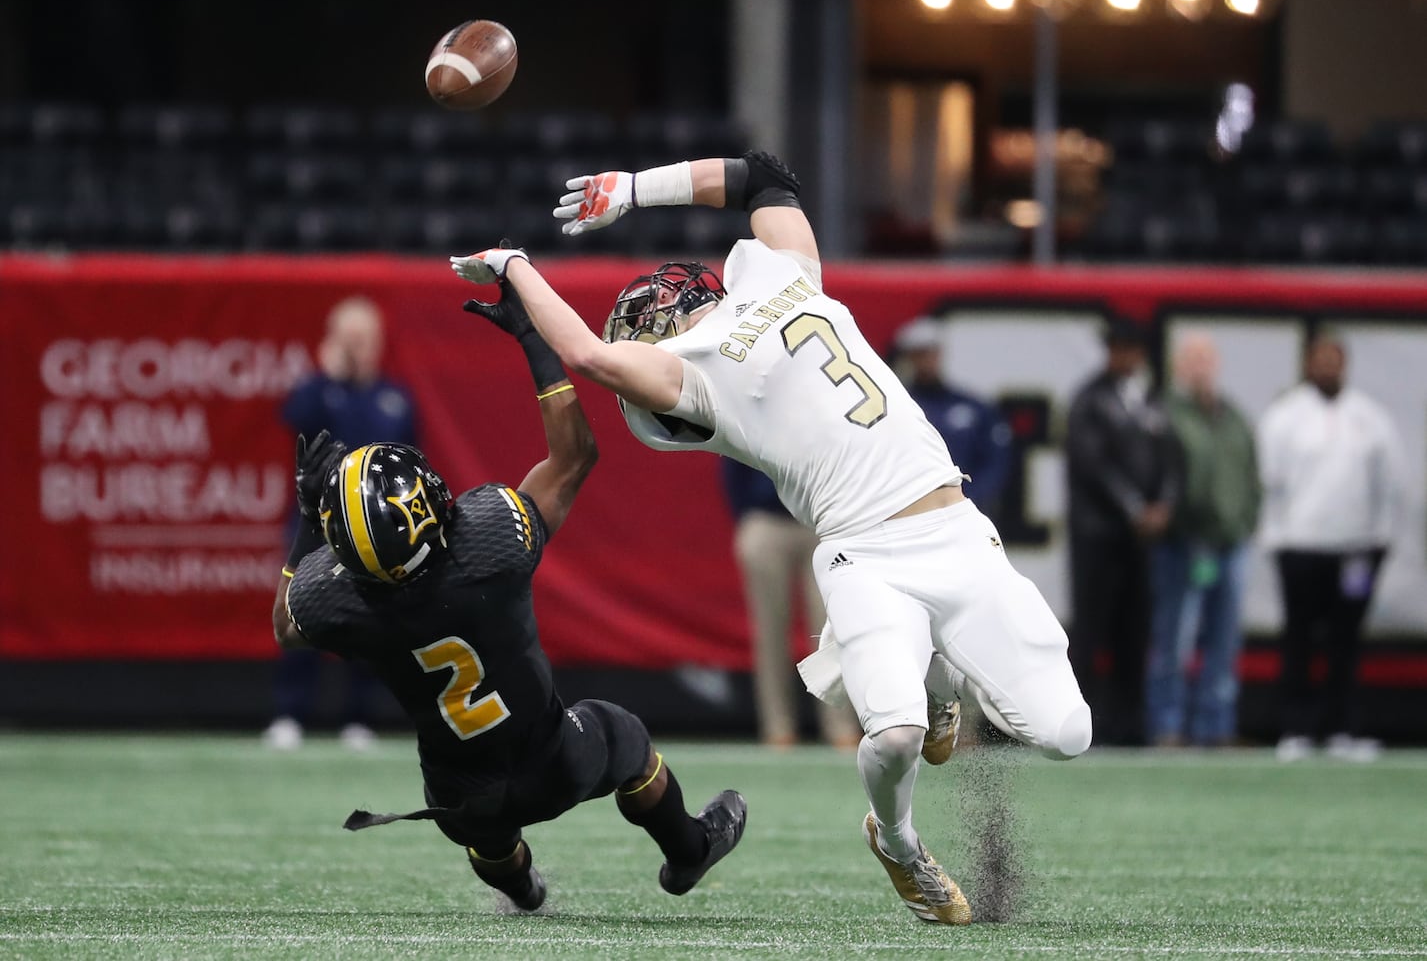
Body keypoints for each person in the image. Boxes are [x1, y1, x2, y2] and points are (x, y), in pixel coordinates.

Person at [449, 150, 1091, 926]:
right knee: (892, 740)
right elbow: (585, 352)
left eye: (644, 322)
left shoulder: (776, 274)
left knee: (1065, 733)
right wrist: (517, 267)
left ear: (676, 296)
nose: (639, 338)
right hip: (863, 553)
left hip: (956, 529)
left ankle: (941, 680)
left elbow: (762, 173)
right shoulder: (696, 377)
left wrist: (631, 189)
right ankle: (896, 841)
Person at [269, 285, 747, 910]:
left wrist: (309, 519)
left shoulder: (341, 601)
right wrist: (534, 341)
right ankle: (687, 850)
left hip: (460, 796)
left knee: (486, 836)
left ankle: (520, 886)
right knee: (624, 734)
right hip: (556, 760)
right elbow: (575, 457)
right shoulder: (486, 543)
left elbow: (285, 625)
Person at [264, 296, 418, 752]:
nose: (355, 350)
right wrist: (326, 374)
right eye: (347, 340)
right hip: (315, 525)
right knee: (299, 617)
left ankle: (360, 715)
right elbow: (294, 419)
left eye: (362, 341)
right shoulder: (319, 391)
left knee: (370, 625)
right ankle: (290, 713)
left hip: (372, 532)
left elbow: (400, 456)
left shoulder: (392, 399)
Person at [1258, 332, 1405, 763]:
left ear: (1345, 364)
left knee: (1346, 642)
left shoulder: (1370, 417)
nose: (1327, 367)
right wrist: (1278, 539)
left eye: (1334, 360)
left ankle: (1342, 728)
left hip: (1355, 549)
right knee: (1299, 639)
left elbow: (1390, 482)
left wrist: (1380, 539)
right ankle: (1296, 728)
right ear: (1307, 364)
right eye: (1319, 360)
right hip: (1301, 546)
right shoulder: (1284, 417)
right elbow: (1271, 483)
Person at [1065, 315, 1179, 747]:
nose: (1124, 356)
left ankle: (1131, 725)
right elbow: (1094, 465)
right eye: (1117, 348)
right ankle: (1085, 724)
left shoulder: (1151, 401)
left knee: (1135, 632)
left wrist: (1164, 505)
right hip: (1100, 535)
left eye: (1130, 348)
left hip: (1139, 540)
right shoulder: (1090, 401)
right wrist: (1134, 509)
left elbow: (1172, 459)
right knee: (1093, 630)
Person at [1147, 333, 1260, 747]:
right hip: (1184, 544)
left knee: (1225, 641)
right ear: (1179, 367)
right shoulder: (1165, 415)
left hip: (1230, 543)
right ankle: (1168, 724)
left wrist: (1246, 521)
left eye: (1206, 359)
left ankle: (1216, 725)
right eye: (1192, 359)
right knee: (1175, 640)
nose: (1200, 367)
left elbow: (1250, 474)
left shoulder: (1231, 417)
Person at [720, 457, 861, 749]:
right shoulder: (754, 413)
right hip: (766, 519)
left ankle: (842, 728)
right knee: (769, 631)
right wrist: (746, 515)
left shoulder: (827, 412)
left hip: (824, 522)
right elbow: (732, 461)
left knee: (834, 627)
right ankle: (778, 728)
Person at [892, 317, 1015, 522]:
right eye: (920, 353)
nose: (927, 360)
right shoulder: (899, 406)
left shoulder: (971, 408)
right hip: (912, 512)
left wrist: (969, 497)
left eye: (931, 352)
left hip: (966, 509)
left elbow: (996, 460)